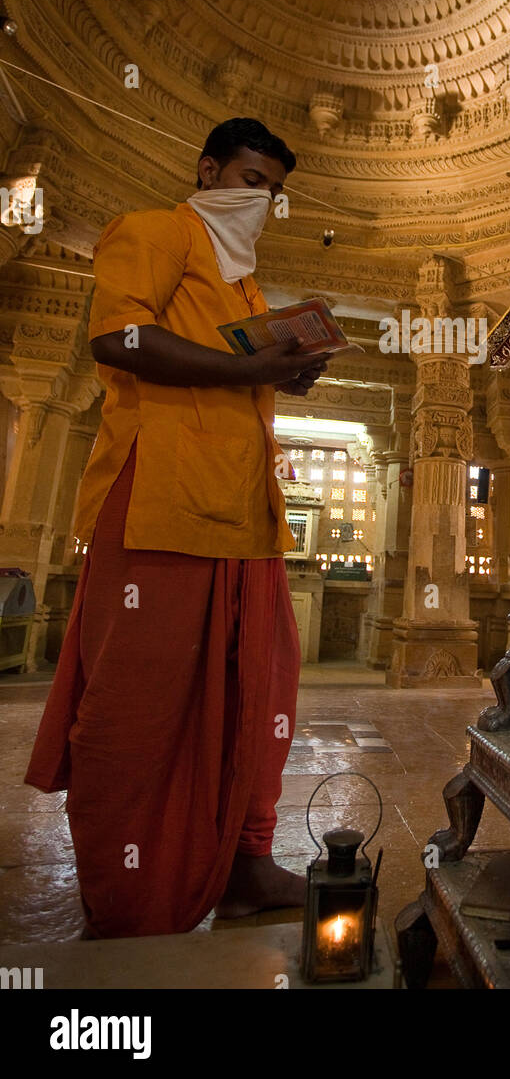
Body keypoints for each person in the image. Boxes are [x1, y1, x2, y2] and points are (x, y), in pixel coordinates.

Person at [25, 117, 327, 938]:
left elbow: (230, 376)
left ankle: (246, 864)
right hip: (162, 498)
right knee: (140, 703)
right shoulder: (153, 231)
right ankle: (127, 904)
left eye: (274, 189)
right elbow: (116, 335)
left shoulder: (245, 290)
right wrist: (244, 369)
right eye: (251, 179)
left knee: (261, 691)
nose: (262, 200)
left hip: (245, 512)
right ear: (209, 169)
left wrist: (278, 374)